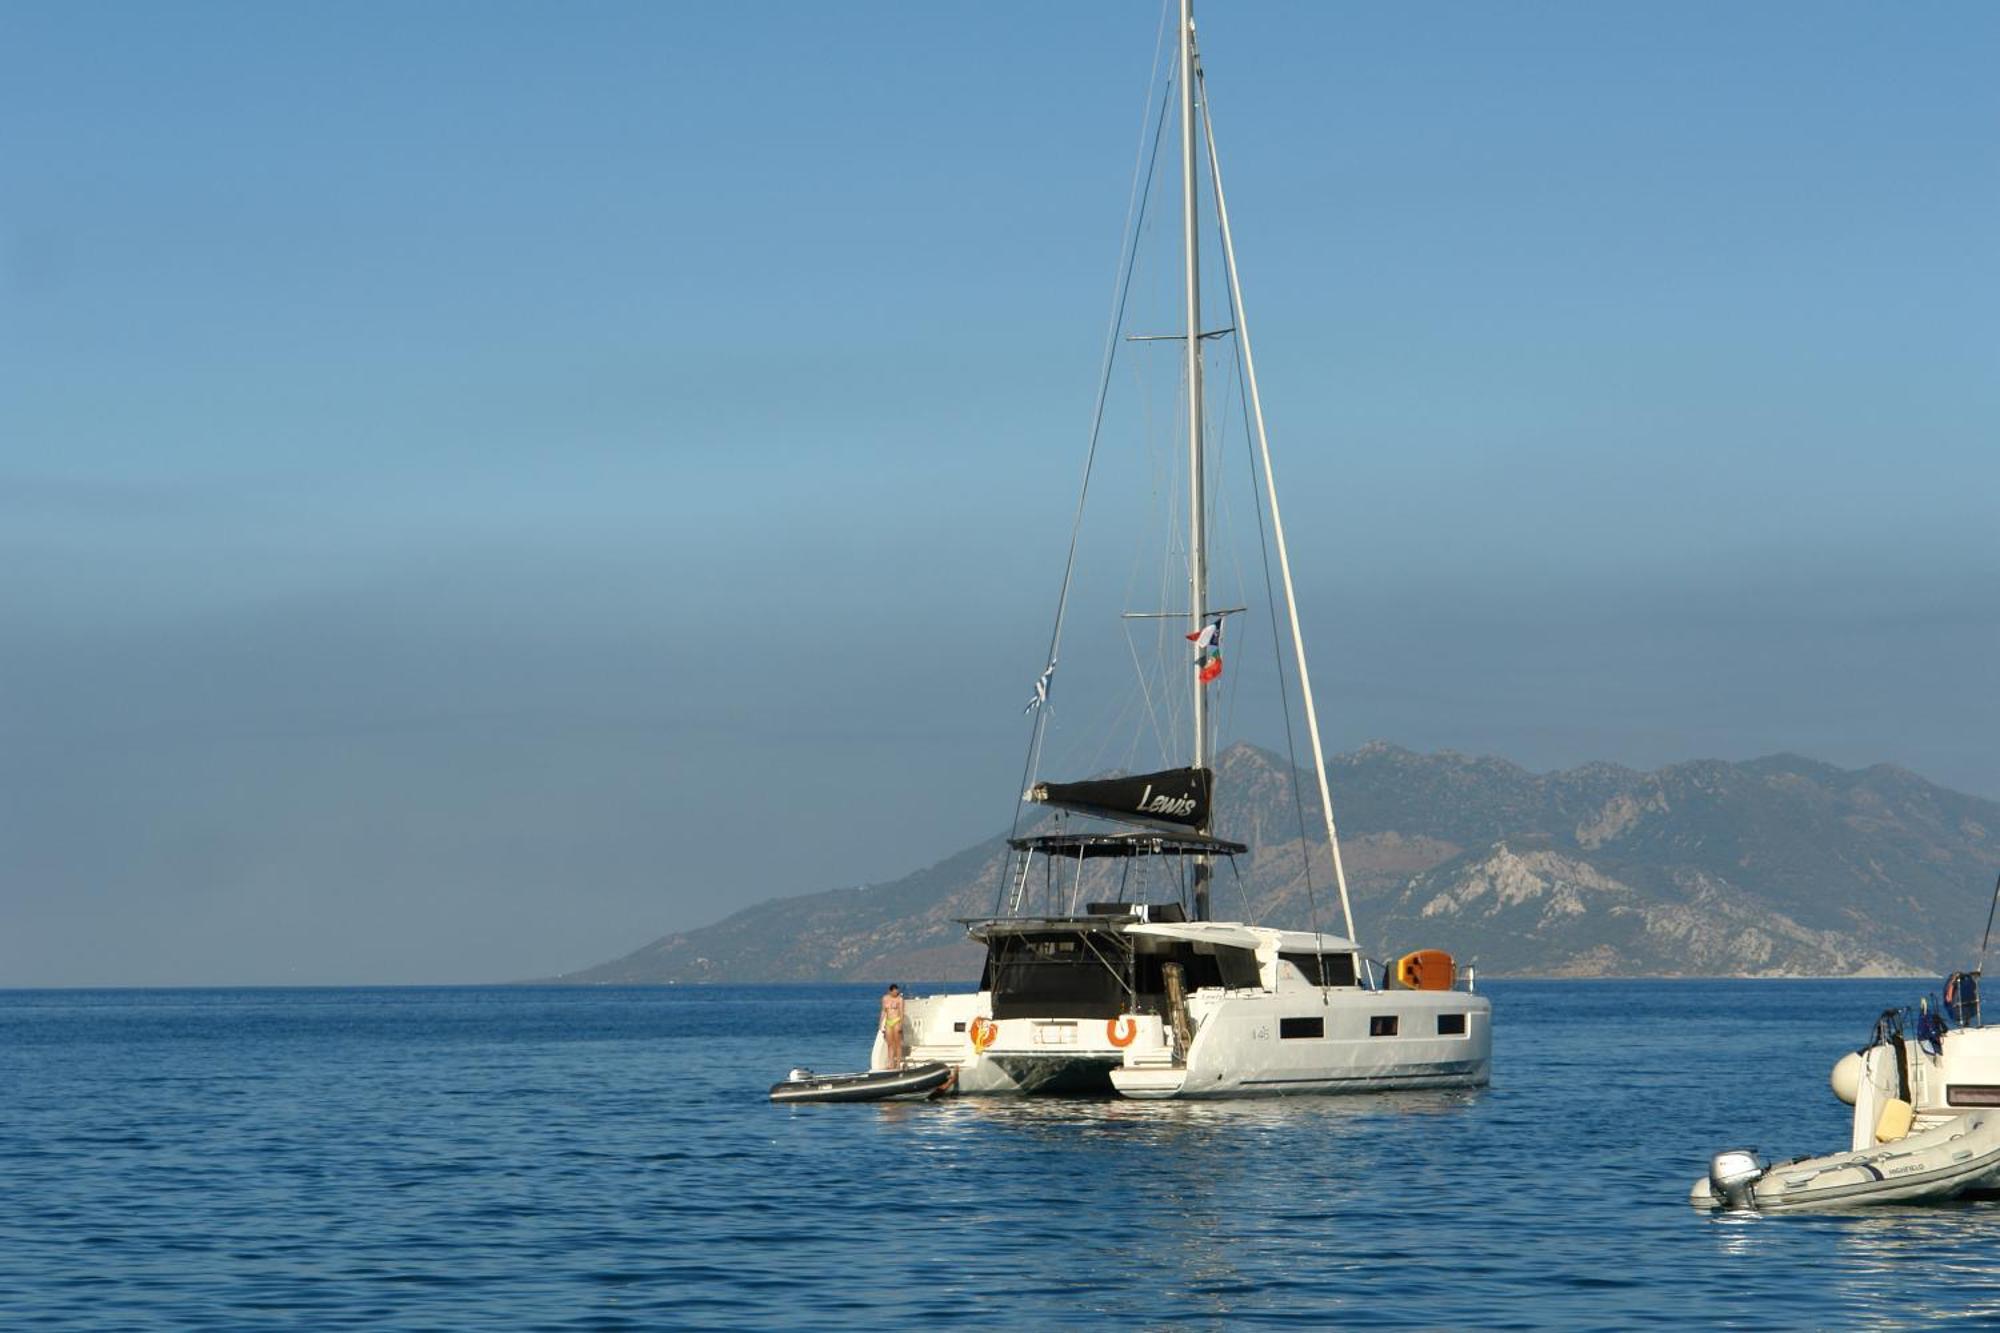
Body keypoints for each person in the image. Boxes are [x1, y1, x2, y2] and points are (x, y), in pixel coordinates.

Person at [879, 983, 906, 1068]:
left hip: (896, 1021)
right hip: (888, 1022)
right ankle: (891, 1063)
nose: (896, 993)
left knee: (897, 1044)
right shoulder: (885, 998)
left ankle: (898, 1063)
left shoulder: (900, 999)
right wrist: (880, 1023)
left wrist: (901, 1024)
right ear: (890, 991)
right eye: (894, 992)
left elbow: (901, 1012)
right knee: (890, 1044)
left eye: (897, 992)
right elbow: (883, 1011)